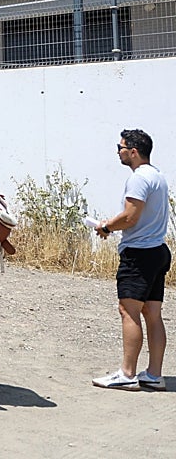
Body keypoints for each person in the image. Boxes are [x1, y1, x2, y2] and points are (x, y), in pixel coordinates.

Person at [92, 128, 170, 391]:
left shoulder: (139, 178)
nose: (118, 152)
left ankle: (127, 374)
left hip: (139, 254)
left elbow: (130, 216)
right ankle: (154, 374)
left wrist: (106, 226)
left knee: (129, 311)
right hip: (157, 250)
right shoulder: (158, 175)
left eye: (121, 147)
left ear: (133, 152)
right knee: (152, 313)